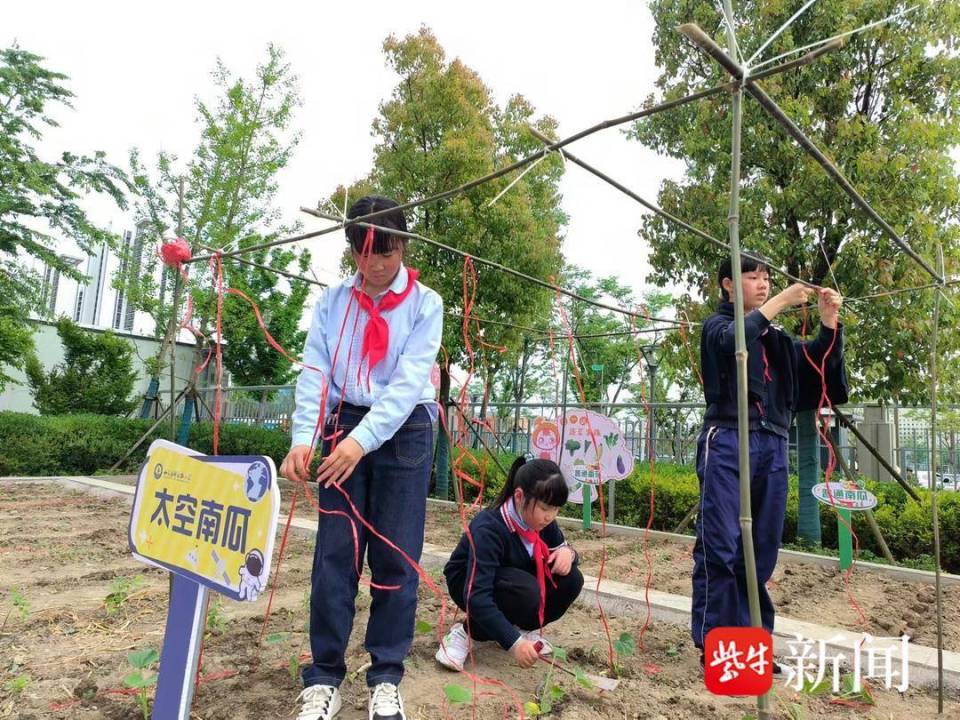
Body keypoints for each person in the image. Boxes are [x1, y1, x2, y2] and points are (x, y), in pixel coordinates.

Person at [280, 196, 443, 720]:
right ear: (352, 249)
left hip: (404, 429)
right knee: (335, 556)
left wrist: (360, 442)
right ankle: (324, 677)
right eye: (365, 250)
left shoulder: (425, 304)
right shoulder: (331, 303)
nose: (376, 262)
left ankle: (385, 677)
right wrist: (305, 437)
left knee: (396, 555)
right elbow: (315, 373)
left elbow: (406, 385)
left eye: (386, 249)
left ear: (403, 245)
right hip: (342, 423)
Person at [692, 253, 847, 667]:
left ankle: (751, 643)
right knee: (721, 544)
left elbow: (814, 368)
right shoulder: (717, 326)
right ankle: (716, 644)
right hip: (728, 438)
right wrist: (778, 301)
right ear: (727, 284)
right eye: (752, 277)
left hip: (773, 444)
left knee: (760, 549)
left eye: (766, 278)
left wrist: (828, 322)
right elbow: (732, 343)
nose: (762, 284)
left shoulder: (776, 339)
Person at [437, 457, 584, 672]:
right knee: (524, 591)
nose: (551, 516)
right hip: (468, 583)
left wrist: (567, 553)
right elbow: (476, 594)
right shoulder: (489, 528)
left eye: (556, 509)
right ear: (519, 496)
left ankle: (520, 628)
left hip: (512, 581)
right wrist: (513, 644)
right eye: (545, 508)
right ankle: (466, 633)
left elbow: (564, 550)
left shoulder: (543, 522)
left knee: (571, 580)